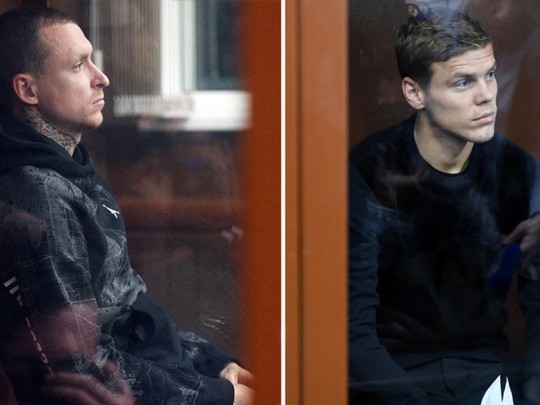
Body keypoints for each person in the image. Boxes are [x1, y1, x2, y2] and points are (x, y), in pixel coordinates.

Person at [0, 6, 254, 405]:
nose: (101, 77)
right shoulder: (37, 195)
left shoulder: (72, 169)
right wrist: (220, 396)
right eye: (78, 65)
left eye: (92, 60)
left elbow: (133, 313)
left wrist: (214, 365)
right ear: (28, 90)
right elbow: (83, 369)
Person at [348, 4, 540, 404]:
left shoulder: (517, 171)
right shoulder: (370, 171)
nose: (487, 96)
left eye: (490, 74)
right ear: (415, 92)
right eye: (463, 82)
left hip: (486, 376)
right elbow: (353, 331)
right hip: (393, 379)